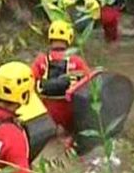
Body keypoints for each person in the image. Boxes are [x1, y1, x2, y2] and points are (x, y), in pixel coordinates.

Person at [31, 20, 92, 149]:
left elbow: (29, 81)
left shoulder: (41, 60)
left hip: (48, 112)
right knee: (72, 136)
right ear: (69, 38)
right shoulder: (76, 61)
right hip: (69, 112)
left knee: (50, 141)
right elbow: (90, 83)